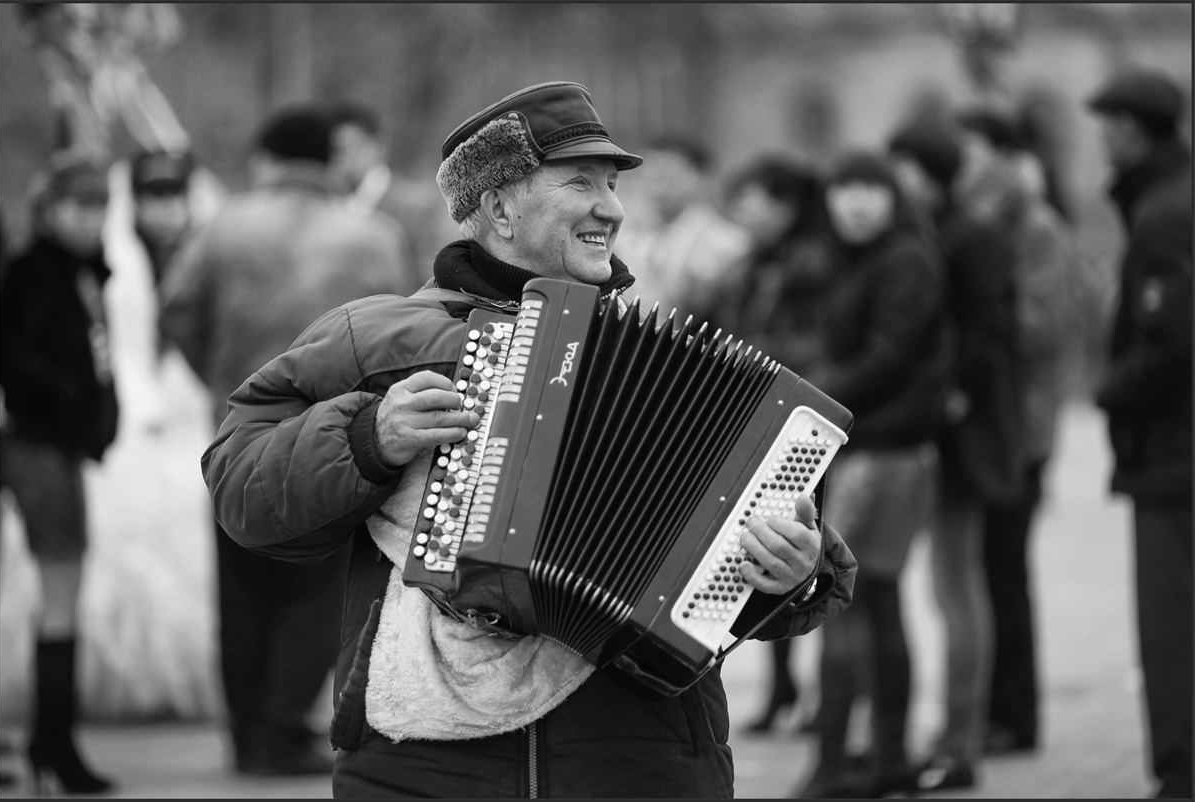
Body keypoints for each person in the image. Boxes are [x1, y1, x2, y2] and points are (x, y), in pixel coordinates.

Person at [200, 80, 857, 798]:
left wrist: (796, 574)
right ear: (498, 208)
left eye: (612, 185)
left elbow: (762, 577)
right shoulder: (375, 337)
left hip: (644, 763)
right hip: (422, 766)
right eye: (581, 183)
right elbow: (240, 484)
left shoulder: (668, 360)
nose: (612, 207)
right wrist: (366, 437)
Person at [159, 104, 409, 777]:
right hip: (335, 434)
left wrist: (220, 377)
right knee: (317, 583)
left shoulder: (221, 228)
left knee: (239, 581)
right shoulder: (373, 235)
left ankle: (246, 731)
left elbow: (176, 308)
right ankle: (282, 725)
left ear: (267, 160)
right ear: (331, 161)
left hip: (240, 427)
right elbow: (400, 333)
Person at [788, 151, 947, 798]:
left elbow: (891, 356)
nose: (854, 203)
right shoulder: (857, 260)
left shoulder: (907, 257)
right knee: (875, 603)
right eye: (843, 189)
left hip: (885, 452)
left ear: (892, 196)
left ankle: (836, 762)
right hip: (870, 449)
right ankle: (884, 759)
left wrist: (813, 395)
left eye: (869, 190)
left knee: (843, 600)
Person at [887, 116, 1024, 792]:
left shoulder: (972, 235)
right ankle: (949, 737)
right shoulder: (928, 232)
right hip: (935, 433)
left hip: (961, 442)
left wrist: (952, 400)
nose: (896, 180)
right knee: (945, 587)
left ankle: (959, 741)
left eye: (906, 166)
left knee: (955, 587)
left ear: (931, 172)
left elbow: (988, 332)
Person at [1085, 66, 1192, 800]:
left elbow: (1171, 340)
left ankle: (1182, 772)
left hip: (1174, 451)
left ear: (1132, 128)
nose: (1102, 140)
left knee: (1172, 625)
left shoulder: (1163, 212)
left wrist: (1107, 390)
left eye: (1109, 125)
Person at [955, 106, 1075, 756]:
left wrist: (979, 309)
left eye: (974, 150)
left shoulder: (1036, 226)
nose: (965, 163)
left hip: (1021, 426)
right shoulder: (978, 223)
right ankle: (990, 712)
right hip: (990, 423)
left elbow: (1043, 327)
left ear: (1004, 155)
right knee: (984, 567)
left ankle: (1016, 716)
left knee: (1004, 570)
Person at [0, 152, 119, 795]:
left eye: (101, 205)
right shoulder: (33, 273)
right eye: (80, 204)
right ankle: (53, 743)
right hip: (36, 443)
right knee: (61, 593)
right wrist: (72, 402)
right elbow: (18, 358)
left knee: (62, 592)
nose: (92, 217)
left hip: (57, 444)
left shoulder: (81, 271)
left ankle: (53, 742)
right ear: (48, 209)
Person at [714, 155, 836, 735]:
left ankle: (818, 698)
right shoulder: (755, 263)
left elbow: (812, 349)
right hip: (758, 418)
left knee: (801, 552)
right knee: (762, 550)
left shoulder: (812, 266)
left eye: (754, 199)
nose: (744, 211)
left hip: (796, 425)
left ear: (784, 205)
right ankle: (783, 688)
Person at [612, 134, 752, 319]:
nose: (657, 185)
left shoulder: (730, 242)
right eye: (650, 175)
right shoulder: (624, 237)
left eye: (668, 174)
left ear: (701, 177)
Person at [328, 100, 455, 291]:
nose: (344, 158)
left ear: (379, 145)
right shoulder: (329, 205)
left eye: (352, 147)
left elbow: (431, 278)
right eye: (335, 151)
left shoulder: (420, 205)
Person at [129, 148, 197, 288]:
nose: (166, 209)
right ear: (136, 203)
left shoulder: (205, 255)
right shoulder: (115, 260)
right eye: (155, 196)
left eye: (174, 194)